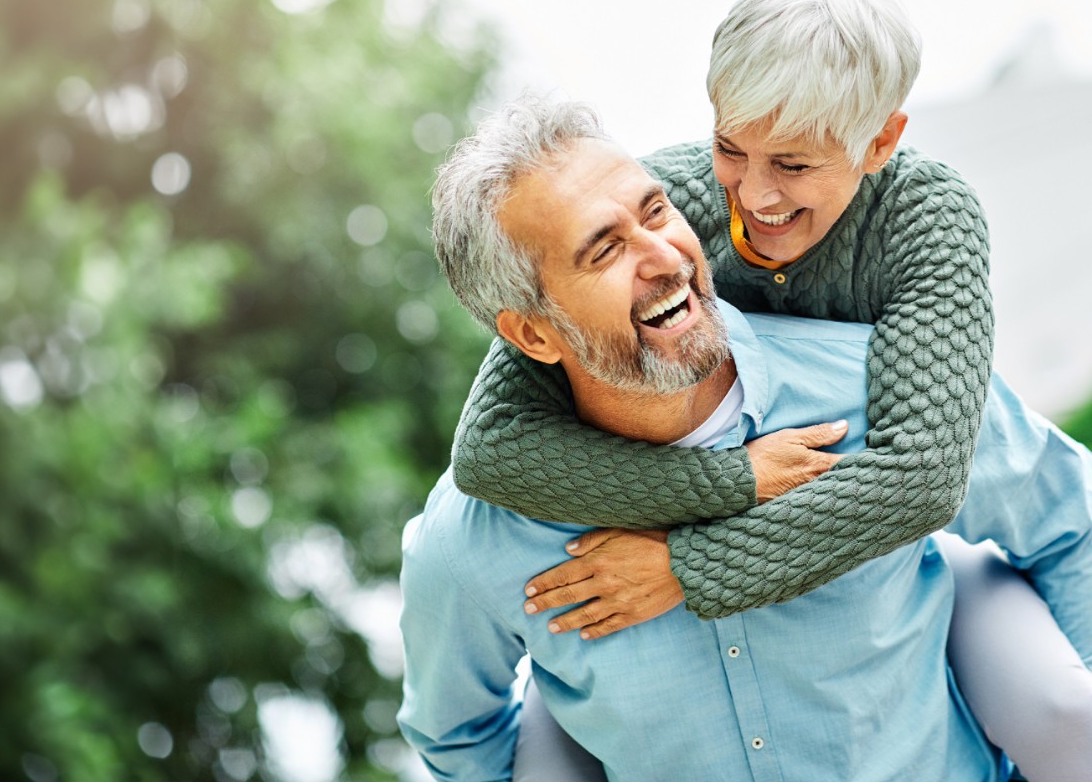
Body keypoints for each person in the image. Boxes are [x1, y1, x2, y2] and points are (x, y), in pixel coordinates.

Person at [399, 96, 1092, 780]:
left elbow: (1073, 521)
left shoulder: (878, 390)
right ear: (532, 334)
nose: (663, 257)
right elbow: (457, 740)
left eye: (656, 211)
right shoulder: (475, 542)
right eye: (604, 249)